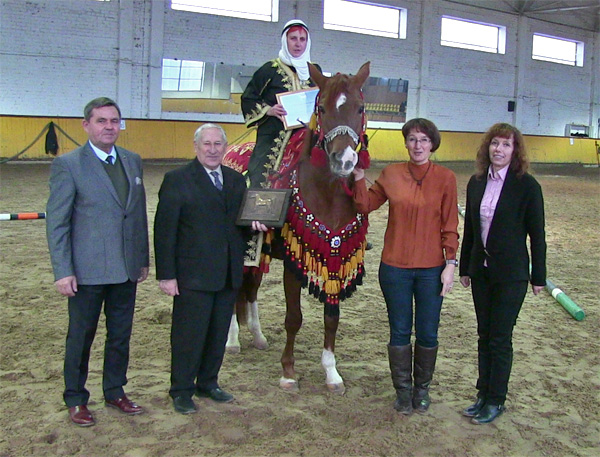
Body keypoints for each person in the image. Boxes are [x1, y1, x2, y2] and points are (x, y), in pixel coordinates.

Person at [46, 97, 149, 427]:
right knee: (81, 336)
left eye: (114, 121)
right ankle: (76, 397)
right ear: (86, 125)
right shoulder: (69, 165)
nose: (109, 127)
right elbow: (58, 223)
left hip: (126, 270)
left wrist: (142, 260)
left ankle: (115, 390)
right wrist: (63, 271)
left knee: (120, 335)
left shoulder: (133, 161)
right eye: (102, 121)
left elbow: (137, 217)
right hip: (86, 272)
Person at [154, 123, 267, 415]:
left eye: (218, 144)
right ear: (196, 147)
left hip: (228, 275)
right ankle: (181, 390)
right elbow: (164, 231)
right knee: (188, 336)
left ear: (225, 147)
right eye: (207, 144)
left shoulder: (235, 180)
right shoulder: (176, 180)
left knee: (217, 334)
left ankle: (208, 383)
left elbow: (241, 223)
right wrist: (166, 275)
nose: (213, 149)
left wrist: (254, 224)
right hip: (192, 276)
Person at [353, 118, 459, 415]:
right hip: (395, 268)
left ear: (432, 144)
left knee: (428, 332)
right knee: (399, 331)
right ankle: (402, 392)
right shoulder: (391, 174)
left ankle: (422, 390)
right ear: (406, 143)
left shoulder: (446, 178)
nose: (418, 145)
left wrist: (450, 263)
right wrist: (359, 178)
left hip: (431, 270)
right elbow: (365, 206)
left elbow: (450, 224)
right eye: (412, 139)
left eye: (424, 140)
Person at [459, 123, 547, 425]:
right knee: (483, 335)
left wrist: (539, 277)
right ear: (488, 147)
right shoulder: (476, 182)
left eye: (506, 145)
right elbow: (471, 228)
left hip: (512, 275)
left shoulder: (528, 187)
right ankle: (482, 395)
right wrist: (465, 268)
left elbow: (538, 235)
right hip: (481, 272)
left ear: (515, 151)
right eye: (495, 143)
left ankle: (497, 399)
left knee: (500, 337)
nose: (499, 149)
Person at [241, 19, 319, 188]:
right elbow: (248, 97)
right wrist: (268, 110)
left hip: (307, 135)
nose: (298, 44)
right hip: (274, 135)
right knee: (260, 174)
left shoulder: (315, 71)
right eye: (293, 38)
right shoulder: (269, 69)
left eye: (302, 39)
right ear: (285, 40)